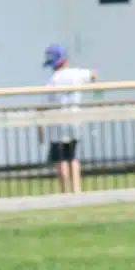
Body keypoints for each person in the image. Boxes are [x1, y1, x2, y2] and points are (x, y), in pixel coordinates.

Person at [43, 43, 94, 196]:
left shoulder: (52, 80)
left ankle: (65, 191)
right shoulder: (76, 74)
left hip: (58, 124)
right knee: (73, 157)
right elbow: (93, 75)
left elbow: (43, 104)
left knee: (61, 159)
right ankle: (77, 190)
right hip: (74, 121)